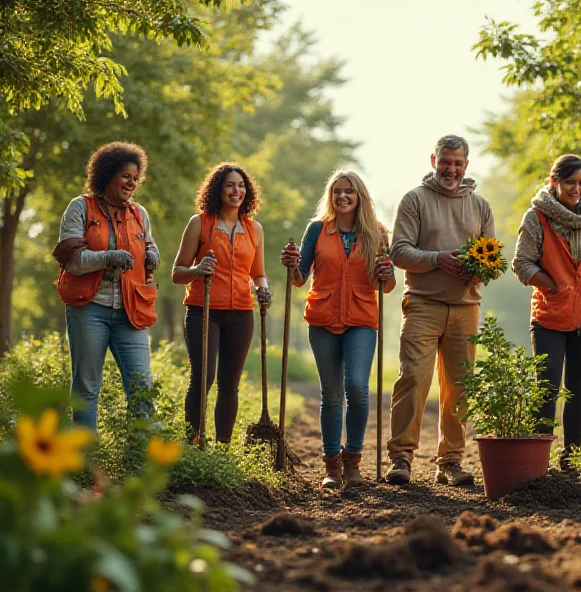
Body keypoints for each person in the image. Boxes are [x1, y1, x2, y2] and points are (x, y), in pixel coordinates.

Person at [384, 134, 495, 487]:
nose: (451, 169)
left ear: (466, 165)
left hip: (466, 308)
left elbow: (492, 260)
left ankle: (450, 461)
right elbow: (398, 251)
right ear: (434, 161)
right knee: (413, 378)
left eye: (458, 163)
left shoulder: (481, 206)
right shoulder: (414, 200)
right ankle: (401, 457)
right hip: (422, 304)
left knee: (460, 387)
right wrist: (438, 260)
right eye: (445, 161)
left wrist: (476, 268)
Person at [280, 170, 395, 489]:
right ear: (330, 196)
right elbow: (299, 277)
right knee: (331, 394)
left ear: (360, 196)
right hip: (323, 318)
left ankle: (353, 462)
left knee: (357, 387)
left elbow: (387, 286)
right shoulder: (317, 229)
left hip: (361, 318)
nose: (342, 196)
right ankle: (331, 466)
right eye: (336, 191)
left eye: (349, 191)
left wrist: (386, 272)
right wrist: (290, 264)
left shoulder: (377, 232)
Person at [512, 154, 581, 469]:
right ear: (554, 182)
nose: (577, 189)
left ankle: (572, 459)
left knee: (577, 388)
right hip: (550, 316)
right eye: (570, 182)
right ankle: (537, 461)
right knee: (547, 387)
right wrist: (554, 285)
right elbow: (522, 263)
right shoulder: (536, 217)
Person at [53, 142, 159, 430]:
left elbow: (148, 246)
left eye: (136, 178)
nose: (132, 183)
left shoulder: (139, 214)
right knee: (87, 388)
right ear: (108, 174)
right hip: (89, 309)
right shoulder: (80, 207)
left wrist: (152, 254)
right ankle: (86, 464)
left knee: (142, 389)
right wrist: (108, 257)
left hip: (131, 311)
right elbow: (72, 260)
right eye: (126, 176)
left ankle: (137, 461)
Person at [172, 163, 272, 445]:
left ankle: (223, 448)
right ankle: (194, 443)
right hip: (203, 310)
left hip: (241, 313)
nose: (236, 190)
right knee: (204, 377)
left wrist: (263, 290)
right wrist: (198, 270)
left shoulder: (255, 230)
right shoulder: (199, 223)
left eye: (241, 186)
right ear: (218, 189)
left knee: (230, 385)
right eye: (230, 185)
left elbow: (258, 273)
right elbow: (177, 273)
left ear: (247, 192)